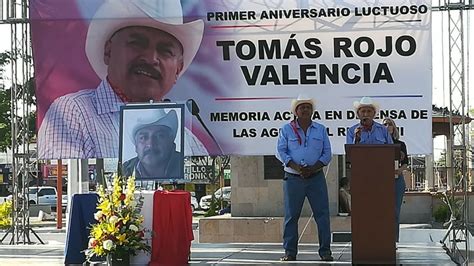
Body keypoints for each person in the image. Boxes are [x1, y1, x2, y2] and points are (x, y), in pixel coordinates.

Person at [37, 0, 207, 159]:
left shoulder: (190, 143)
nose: (151, 58)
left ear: (177, 69)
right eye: (137, 43)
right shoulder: (73, 114)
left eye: (165, 50)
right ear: (108, 52)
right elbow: (67, 185)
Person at [276, 95, 333, 262]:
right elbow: (281, 151)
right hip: (293, 178)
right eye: (302, 107)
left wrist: (312, 168)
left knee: (322, 215)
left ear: (312, 111)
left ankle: (325, 252)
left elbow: (327, 153)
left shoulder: (320, 129)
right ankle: (290, 252)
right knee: (291, 216)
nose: (306, 110)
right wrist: (296, 167)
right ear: (296, 111)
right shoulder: (286, 129)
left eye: (308, 107)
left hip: (316, 177)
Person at [122, 108, 182, 179]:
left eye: (159, 136)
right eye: (143, 137)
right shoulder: (124, 171)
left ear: (171, 140)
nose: (150, 144)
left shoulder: (186, 166)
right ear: (136, 146)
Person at [383, 118, 408, 243]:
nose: (387, 126)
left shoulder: (400, 144)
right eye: (384, 125)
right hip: (381, 181)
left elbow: (405, 163)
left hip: (397, 180)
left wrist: (399, 170)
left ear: (394, 128)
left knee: (395, 212)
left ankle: (394, 241)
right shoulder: (378, 144)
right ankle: (382, 240)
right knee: (382, 212)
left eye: (389, 124)